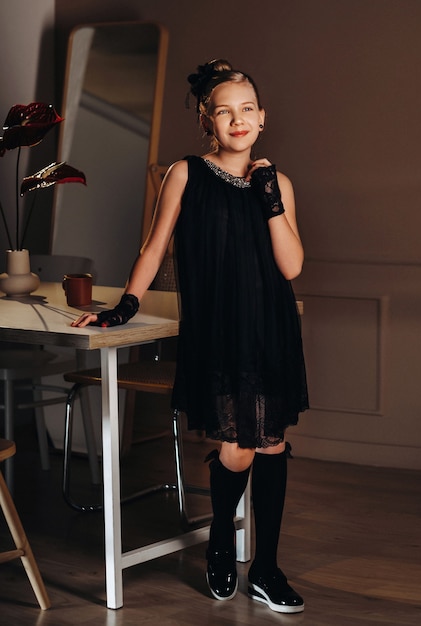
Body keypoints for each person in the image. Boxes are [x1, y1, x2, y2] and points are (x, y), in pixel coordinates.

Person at [72, 59, 309, 614]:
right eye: (224, 112)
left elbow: (292, 265)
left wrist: (270, 196)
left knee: (271, 443)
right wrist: (124, 305)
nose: (238, 120)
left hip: (271, 331)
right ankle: (222, 538)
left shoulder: (278, 184)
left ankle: (267, 568)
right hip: (218, 333)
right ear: (208, 121)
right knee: (238, 446)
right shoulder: (185, 174)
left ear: (263, 118)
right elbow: (155, 247)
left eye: (247, 109)